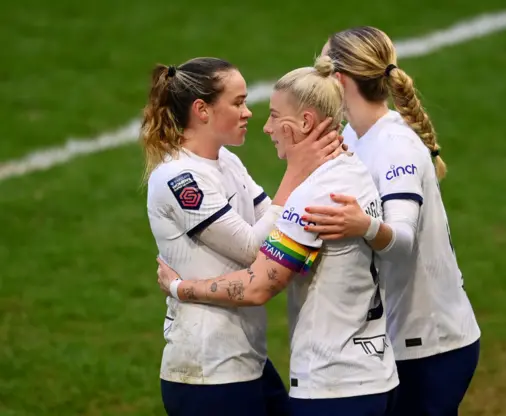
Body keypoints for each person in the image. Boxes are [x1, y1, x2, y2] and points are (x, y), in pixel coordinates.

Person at [156, 56, 399, 416]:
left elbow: (261, 273)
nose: (259, 121)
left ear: (304, 121)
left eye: (271, 114)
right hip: (207, 367)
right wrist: (300, 173)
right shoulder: (179, 178)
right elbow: (268, 234)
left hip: (317, 378)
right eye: (239, 102)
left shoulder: (250, 171)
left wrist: (180, 287)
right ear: (201, 110)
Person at [300, 27, 482, 416]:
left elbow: (401, 242)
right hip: (393, 339)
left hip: (431, 344)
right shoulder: (355, 133)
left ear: (339, 80)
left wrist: (360, 224)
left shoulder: (395, 145)